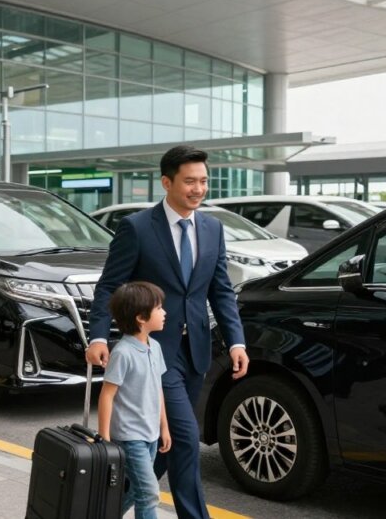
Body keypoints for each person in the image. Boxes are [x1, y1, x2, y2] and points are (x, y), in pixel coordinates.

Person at [87, 145, 249, 519]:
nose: (198, 189)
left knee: (164, 446)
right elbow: (109, 286)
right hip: (152, 353)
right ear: (167, 182)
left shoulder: (212, 227)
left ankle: (103, 510)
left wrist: (236, 340)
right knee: (187, 440)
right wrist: (98, 336)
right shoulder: (137, 228)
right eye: (190, 181)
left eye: (204, 181)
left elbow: (220, 289)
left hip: (196, 352)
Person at [99, 281, 172, 519]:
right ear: (141, 317)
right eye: (159, 308)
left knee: (136, 491)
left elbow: (157, 389)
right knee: (149, 493)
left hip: (150, 434)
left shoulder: (156, 347)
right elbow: (107, 395)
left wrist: (164, 427)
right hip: (130, 437)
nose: (164, 313)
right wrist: (105, 438)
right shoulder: (123, 352)